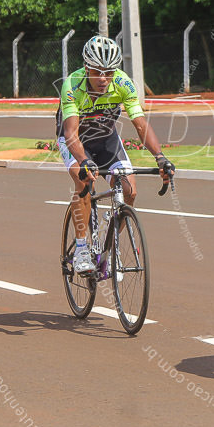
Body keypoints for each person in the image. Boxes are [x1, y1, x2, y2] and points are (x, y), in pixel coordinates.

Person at [58, 35, 175, 274]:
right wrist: (84, 161)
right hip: (76, 141)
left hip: (106, 140)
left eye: (109, 72)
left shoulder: (122, 83)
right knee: (84, 178)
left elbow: (140, 124)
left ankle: (107, 253)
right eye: (98, 72)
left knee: (130, 191)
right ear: (86, 67)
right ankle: (81, 248)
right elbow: (70, 133)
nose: (103, 79)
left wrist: (160, 157)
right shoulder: (72, 84)